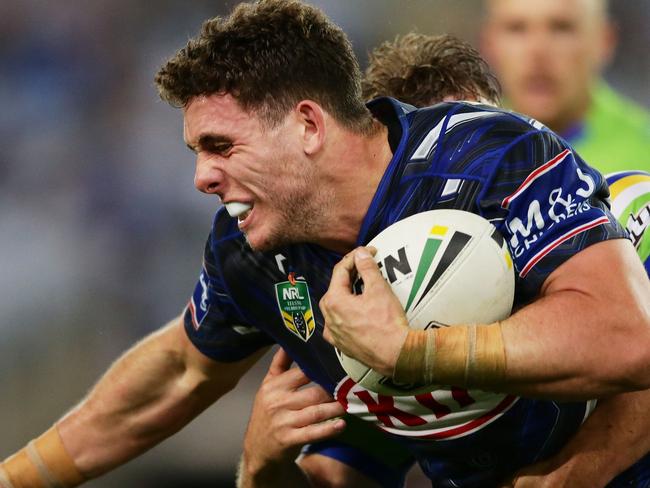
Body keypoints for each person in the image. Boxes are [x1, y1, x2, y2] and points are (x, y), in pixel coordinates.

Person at [1, 2, 649, 487]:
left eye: (221, 146)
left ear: (309, 124)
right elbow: (179, 370)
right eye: (197, 152)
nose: (200, 177)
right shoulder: (261, 260)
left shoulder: (491, 156)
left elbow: (630, 342)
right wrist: (261, 468)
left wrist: (419, 353)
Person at [238, 33, 650, 488]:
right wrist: (263, 466)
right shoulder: (377, 314)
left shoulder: (631, 211)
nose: (472, 188)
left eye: (485, 139)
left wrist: (582, 469)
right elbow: (338, 474)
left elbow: (630, 345)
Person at [480, 0, 650, 173]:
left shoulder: (644, 157)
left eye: (561, 28)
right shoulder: (460, 151)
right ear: (489, 44)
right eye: (516, 28)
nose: (538, 49)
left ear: (604, 41)